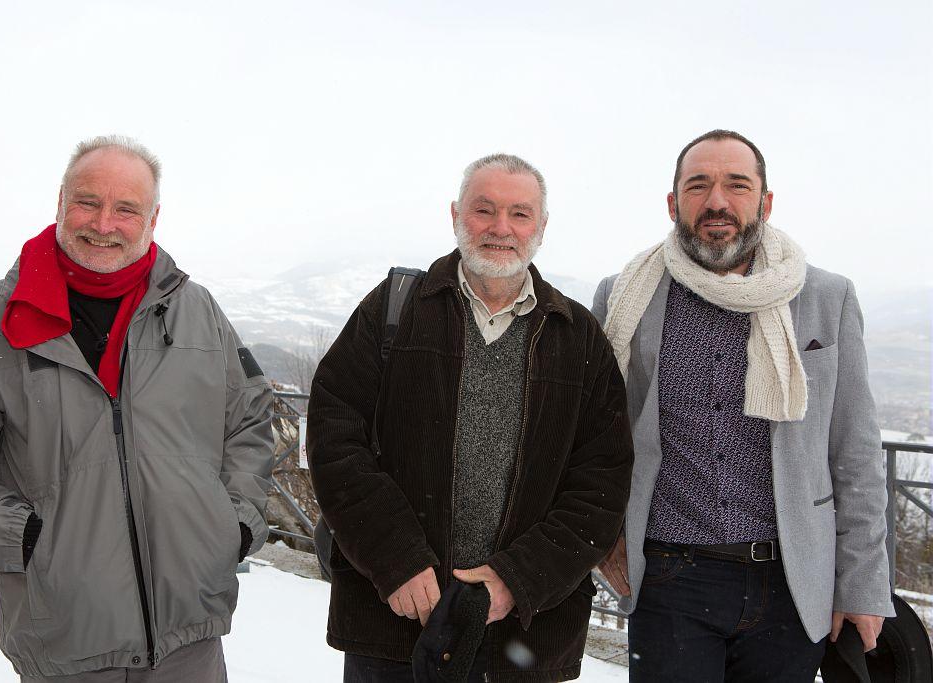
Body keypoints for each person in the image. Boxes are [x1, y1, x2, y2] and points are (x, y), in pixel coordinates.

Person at [0, 135, 275, 681]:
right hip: (63, 638)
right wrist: (23, 539)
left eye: (126, 208)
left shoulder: (195, 310)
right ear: (60, 203)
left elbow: (250, 418)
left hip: (191, 638)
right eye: (87, 201)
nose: (103, 223)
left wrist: (234, 522)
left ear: (154, 218)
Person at [307, 154, 634, 682]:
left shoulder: (577, 337)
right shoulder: (395, 309)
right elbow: (334, 437)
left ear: (542, 227)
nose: (501, 228)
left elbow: (602, 482)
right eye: (485, 210)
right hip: (394, 622)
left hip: (525, 639)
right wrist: (397, 558)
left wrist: (517, 579)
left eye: (520, 214)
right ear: (456, 214)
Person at [591, 129, 894, 682]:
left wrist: (862, 585)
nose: (717, 202)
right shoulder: (625, 295)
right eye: (698, 185)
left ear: (765, 200)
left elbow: (855, 452)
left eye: (737, 185)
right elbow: (595, 439)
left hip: (793, 582)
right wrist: (602, 542)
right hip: (667, 578)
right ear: (672, 201)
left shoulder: (826, 297)